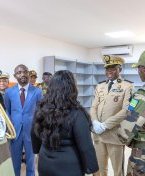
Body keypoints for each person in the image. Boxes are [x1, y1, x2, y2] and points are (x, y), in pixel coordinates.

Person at [31, 70, 99, 176]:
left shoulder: (41, 108)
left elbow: (34, 134)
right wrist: (94, 171)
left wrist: (37, 151)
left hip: (45, 164)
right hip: (69, 167)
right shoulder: (77, 113)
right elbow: (86, 147)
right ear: (71, 88)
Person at [90, 55, 133, 176]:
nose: (109, 71)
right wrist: (95, 122)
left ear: (120, 69)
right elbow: (93, 107)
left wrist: (105, 125)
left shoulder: (127, 86)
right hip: (98, 136)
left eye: (113, 68)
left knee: (117, 171)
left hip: (114, 136)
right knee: (99, 169)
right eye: (107, 68)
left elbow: (126, 110)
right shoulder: (100, 86)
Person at [4, 64, 42, 176]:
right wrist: (9, 129)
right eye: (19, 72)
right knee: (14, 161)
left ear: (28, 73)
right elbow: (8, 111)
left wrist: (38, 128)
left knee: (30, 162)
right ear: (15, 76)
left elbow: (41, 111)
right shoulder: (9, 92)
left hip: (31, 132)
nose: (23, 74)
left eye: (25, 71)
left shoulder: (37, 92)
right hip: (15, 132)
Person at [118, 51, 145, 176]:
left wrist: (123, 139)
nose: (138, 72)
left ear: (144, 69)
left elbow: (126, 131)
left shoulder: (141, 96)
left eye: (138, 68)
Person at [0, 71, 16, 176]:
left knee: (8, 153)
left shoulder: (11, 93)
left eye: (4, 80)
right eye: (0, 80)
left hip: (9, 126)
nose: (2, 82)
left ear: (8, 82)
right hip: (2, 128)